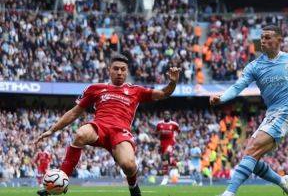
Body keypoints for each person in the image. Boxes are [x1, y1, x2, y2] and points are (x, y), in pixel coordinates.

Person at [35, 54, 181, 196]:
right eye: (116, 68)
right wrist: (52, 130)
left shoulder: (136, 90)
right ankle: (60, 180)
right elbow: (74, 112)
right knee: (80, 134)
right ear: (109, 70)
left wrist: (172, 82)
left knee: (129, 166)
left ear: (127, 71)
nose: (119, 72)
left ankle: (133, 187)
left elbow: (163, 93)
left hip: (121, 133)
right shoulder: (95, 88)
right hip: (99, 128)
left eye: (123, 69)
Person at [210, 25, 288, 196]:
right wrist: (222, 97)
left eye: (268, 37)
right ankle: (282, 181)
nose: (263, 41)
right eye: (262, 37)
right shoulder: (254, 66)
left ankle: (229, 193)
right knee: (251, 156)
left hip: (286, 113)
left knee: (251, 149)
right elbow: (238, 86)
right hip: (271, 115)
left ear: (279, 39)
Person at [155, 110, 180, 185]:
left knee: (165, 155)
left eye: (168, 114)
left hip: (171, 143)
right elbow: (156, 133)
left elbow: (178, 131)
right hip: (163, 143)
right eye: (165, 114)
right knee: (165, 160)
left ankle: (165, 178)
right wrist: (158, 136)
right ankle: (176, 164)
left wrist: (175, 137)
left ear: (170, 116)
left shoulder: (174, 124)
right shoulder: (159, 124)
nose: (166, 115)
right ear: (163, 116)